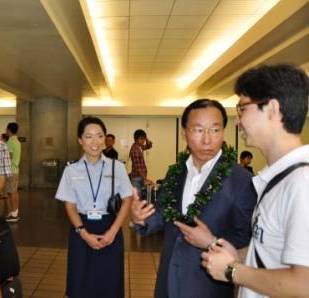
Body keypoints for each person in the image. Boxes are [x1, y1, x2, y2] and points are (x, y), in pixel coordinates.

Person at [131, 99, 257, 298]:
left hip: (208, 286)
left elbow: (247, 239)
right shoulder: (175, 172)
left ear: (223, 132)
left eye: (215, 130)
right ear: (184, 133)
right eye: (198, 130)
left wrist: (212, 242)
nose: (207, 140)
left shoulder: (241, 181)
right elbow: (163, 213)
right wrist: (141, 217)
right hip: (167, 280)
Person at [202, 64, 309, 298]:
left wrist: (232, 271)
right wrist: (240, 255)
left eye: (242, 109)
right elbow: (276, 248)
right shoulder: (280, 178)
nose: (238, 121)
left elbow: (304, 284)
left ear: (271, 108)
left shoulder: (302, 183)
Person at [55, 116, 133, 298]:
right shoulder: (71, 170)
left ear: (105, 138)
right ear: (80, 141)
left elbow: (127, 199)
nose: (95, 142)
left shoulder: (117, 167)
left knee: (110, 283)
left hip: (110, 228)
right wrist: (83, 233)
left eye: (99, 135)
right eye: (88, 137)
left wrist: (113, 231)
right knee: (80, 282)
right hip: (81, 228)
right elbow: (70, 205)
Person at [4, 122, 22, 222]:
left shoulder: (11, 141)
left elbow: (9, 156)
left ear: (9, 130)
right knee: (13, 192)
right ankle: (13, 211)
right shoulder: (17, 141)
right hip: (15, 170)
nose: (5, 130)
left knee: (13, 192)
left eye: (6, 129)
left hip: (11, 170)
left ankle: (14, 213)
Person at [129, 129, 153, 193]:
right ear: (135, 139)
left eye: (143, 139)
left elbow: (149, 146)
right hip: (136, 178)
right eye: (141, 139)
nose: (143, 141)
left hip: (140, 177)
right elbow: (138, 168)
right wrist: (145, 179)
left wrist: (146, 138)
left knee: (141, 196)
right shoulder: (135, 150)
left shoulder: (139, 147)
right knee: (137, 198)